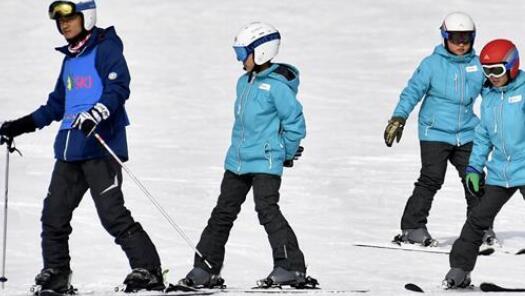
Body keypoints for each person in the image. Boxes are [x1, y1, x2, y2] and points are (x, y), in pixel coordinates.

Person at [0, 0, 164, 293]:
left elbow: (119, 87)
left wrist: (96, 114)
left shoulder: (106, 47)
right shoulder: (70, 60)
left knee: (113, 215)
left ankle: (148, 271)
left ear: (86, 17)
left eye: (70, 18)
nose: (64, 24)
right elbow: (56, 106)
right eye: (60, 21)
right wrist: (20, 125)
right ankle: (57, 273)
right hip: (69, 151)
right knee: (53, 215)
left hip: (100, 148)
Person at [178, 22, 314, 289]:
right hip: (237, 161)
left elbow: (295, 123)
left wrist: (284, 152)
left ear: (261, 52)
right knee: (221, 214)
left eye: (243, 54)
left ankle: (291, 267)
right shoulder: (244, 82)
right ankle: (205, 270)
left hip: (265, 161)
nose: (240, 60)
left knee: (267, 211)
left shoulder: (277, 88)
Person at [383, 12, 491, 246]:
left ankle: (479, 228)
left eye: (466, 38)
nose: (461, 44)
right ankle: (412, 227)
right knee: (432, 178)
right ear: (445, 37)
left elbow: (492, 95)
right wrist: (398, 117)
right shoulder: (432, 64)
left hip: (467, 132)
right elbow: (412, 91)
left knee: (475, 178)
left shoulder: (477, 64)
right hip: (435, 132)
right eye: (455, 38)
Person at [444, 39, 523, 288]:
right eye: (487, 71)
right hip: (500, 172)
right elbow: (483, 136)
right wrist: (474, 168)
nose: (493, 76)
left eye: (497, 70)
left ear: (512, 66)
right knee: (477, 221)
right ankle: (459, 270)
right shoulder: (488, 96)